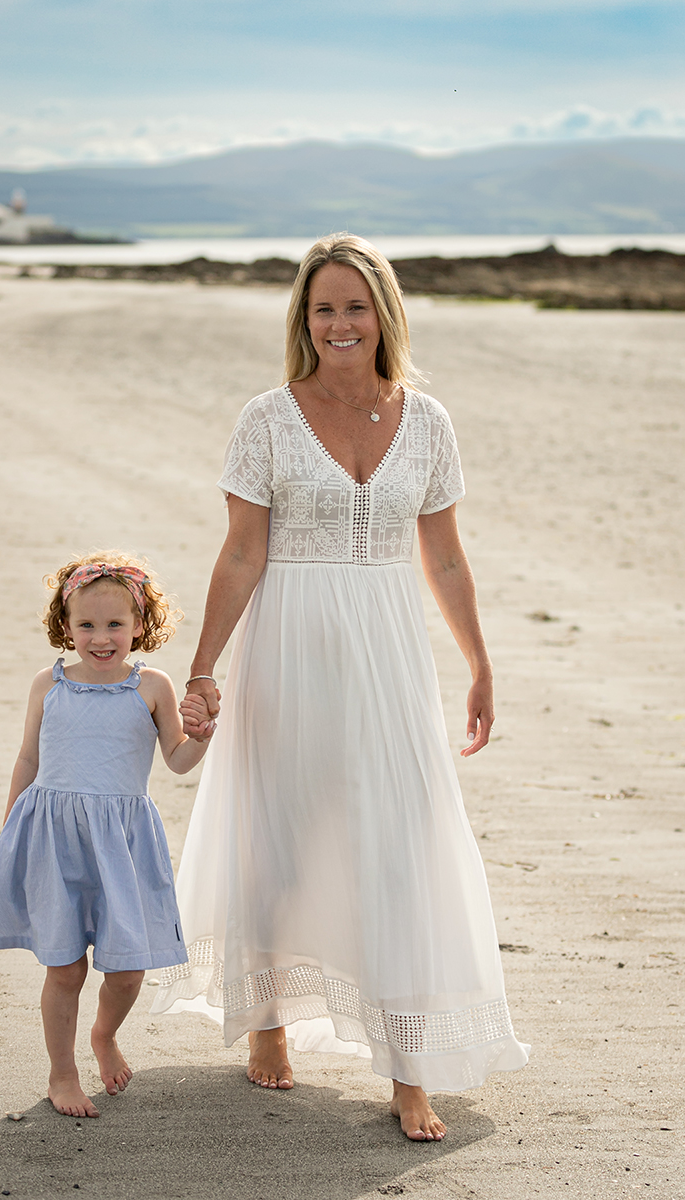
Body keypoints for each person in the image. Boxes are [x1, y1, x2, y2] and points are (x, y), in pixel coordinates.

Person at [153, 235, 529, 1141]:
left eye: (355, 307)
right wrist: (204, 667)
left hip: (390, 653)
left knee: (400, 839)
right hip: (288, 643)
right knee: (281, 830)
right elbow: (242, 553)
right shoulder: (268, 418)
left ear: (383, 315)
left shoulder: (427, 421)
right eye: (323, 309)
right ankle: (269, 1020)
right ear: (304, 320)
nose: (339, 324)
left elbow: (442, 553)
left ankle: (408, 1067)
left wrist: (479, 661)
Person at [0, 553, 214, 1118]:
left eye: (115, 624)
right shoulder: (50, 683)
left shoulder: (151, 686)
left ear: (141, 626)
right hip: (53, 842)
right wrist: (11, 825)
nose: (101, 637)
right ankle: (62, 1074)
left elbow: (179, 760)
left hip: (123, 847)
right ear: (65, 625)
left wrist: (202, 736)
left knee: (128, 968)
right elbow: (28, 757)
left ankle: (104, 1034)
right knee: (64, 966)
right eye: (85, 624)